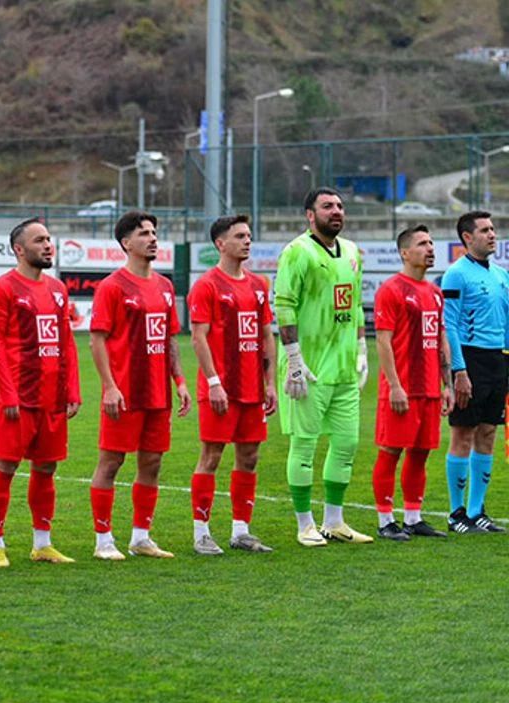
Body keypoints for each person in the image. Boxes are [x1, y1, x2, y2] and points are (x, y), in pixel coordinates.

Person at [88, 211, 191, 560]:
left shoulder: (164, 287)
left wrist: (180, 381)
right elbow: (97, 340)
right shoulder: (112, 287)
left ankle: (141, 537)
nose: (152, 238)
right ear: (126, 243)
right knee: (111, 462)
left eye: (154, 232)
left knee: (152, 463)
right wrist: (109, 386)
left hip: (158, 393)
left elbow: (170, 338)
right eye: (144, 233)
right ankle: (103, 540)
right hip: (124, 393)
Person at [275, 187, 372, 547]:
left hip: (344, 368)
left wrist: (361, 347)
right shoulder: (297, 251)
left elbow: (356, 303)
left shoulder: (352, 251)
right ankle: (305, 524)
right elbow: (284, 305)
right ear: (310, 215)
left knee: (347, 443)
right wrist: (294, 359)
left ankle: (334, 522)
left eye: (340, 206)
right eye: (328, 206)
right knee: (304, 445)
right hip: (309, 367)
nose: (336, 211)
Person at [0, 219, 80, 567]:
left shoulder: (57, 289)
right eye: (39, 240)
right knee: (5, 466)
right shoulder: (3, 288)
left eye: (49, 239)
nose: (48, 245)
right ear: (19, 249)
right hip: (18, 398)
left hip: (52, 397)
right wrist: (8, 393)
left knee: (46, 468)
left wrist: (72, 389)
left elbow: (67, 341)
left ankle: (42, 544)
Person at [186, 215, 277, 554]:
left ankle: (241, 531)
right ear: (220, 244)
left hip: (252, 388)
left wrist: (270, 383)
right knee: (211, 456)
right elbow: (198, 338)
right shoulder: (207, 285)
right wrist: (213, 382)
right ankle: (201, 533)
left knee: (249, 457)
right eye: (239, 236)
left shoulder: (258, 285)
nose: (247, 241)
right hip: (220, 389)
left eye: (249, 235)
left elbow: (266, 335)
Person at [372, 224, 453, 540]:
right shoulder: (391, 289)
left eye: (431, 243)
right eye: (422, 243)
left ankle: (413, 517)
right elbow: (383, 341)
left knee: (421, 453)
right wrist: (394, 385)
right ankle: (385, 520)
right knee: (391, 451)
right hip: (402, 389)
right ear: (405, 253)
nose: (430, 248)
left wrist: (447, 385)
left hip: (430, 388)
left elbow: (440, 339)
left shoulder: (434, 292)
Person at [441, 211, 509, 533]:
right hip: (470, 359)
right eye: (484, 230)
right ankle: (456, 514)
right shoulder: (456, 274)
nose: (492, 234)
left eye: (493, 229)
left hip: (498, 360)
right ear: (467, 237)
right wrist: (459, 370)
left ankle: (476, 510)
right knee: (463, 433)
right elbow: (450, 324)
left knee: (488, 433)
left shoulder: (501, 275)